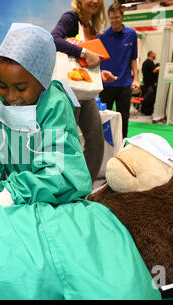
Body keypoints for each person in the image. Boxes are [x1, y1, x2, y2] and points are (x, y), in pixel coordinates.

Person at [0, 23, 92, 207]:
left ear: (43, 82)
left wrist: (9, 196)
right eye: (3, 85)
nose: (10, 96)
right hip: (12, 195)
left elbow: (59, 174)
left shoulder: (54, 106)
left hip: (50, 200)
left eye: (21, 88)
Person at [51, 0, 116, 183]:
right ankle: (64, 188)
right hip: (68, 94)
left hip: (85, 95)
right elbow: (53, 39)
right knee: (68, 143)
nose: (94, 1)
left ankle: (85, 189)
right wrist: (83, 52)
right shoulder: (71, 18)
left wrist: (99, 74)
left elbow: (83, 65)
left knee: (96, 142)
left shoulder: (91, 27)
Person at [98, 1, 139, 139]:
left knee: (123, 119)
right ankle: (105, 147)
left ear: (122, 16)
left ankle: (122, 146)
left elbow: (134, 59)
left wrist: (136, 79)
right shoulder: (101, 36)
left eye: (117, 17)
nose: (114, 21)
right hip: (106, 85)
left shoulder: (131, 34)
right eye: (112, 18)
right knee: (104, 119)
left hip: (124, 85)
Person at [141, 50, 160, 116]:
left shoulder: (145, 62)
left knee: (147, 97)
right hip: (149, 84)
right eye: (154, 54)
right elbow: (154, 70)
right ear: (151, 54)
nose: (155, 56)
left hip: (146, 83)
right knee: (149, 98)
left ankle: (144, 110)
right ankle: (147, 111)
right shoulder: (149, 62)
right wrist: (160, 67)